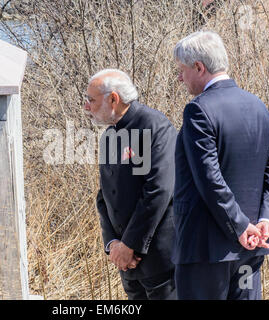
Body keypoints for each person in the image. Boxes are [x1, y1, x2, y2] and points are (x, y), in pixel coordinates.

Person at [172, 30, 269, 300]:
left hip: (206, 251)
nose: (180, 78)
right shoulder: (258, 106)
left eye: (182, 70)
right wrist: (265, 222)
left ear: (199, 67)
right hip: (251, 247)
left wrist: (240, 227)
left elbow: (209, 178)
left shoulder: (198, 110)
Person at [83, 69, 178, 300]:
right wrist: (113, 244)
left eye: (91, 100)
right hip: (126, 263)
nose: (87, 107)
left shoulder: (155, 126)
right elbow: (103, 195)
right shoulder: (108, 136)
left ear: (113, 99)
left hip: (159, 261)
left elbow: (159, 190)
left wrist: (130, 245)